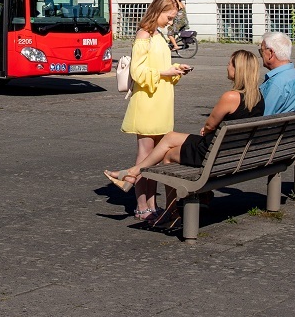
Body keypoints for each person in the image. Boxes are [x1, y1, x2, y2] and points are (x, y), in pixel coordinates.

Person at [105, 49, 264, 203]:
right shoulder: (258, 97)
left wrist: (207, 129)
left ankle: (171, 211)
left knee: (169, 155)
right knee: (170, 137)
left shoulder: (231, 96)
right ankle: (133, 173)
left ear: (238, 70)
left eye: (230, 64)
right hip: (234, 152)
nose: (227, 67)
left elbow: (209, 125)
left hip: (213, 153)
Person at [118, 0, 190, 223]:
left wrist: (176, 68)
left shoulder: (158, 35)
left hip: (160, 100)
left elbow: (159, 65)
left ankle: (152, 203)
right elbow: (137, 72)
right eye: (169, 17)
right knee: (145, 155)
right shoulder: (144, 34)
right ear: (158, 12)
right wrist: (165, 72)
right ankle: (142, 205)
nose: (170, 22)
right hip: (148, 102)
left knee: (155, 159)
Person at [259, 31, 295, 114]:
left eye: (261, 51)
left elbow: (263, 116)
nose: (261, 55)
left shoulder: (275, 83)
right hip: (294, 126)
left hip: (276, 126)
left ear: (270, 53)